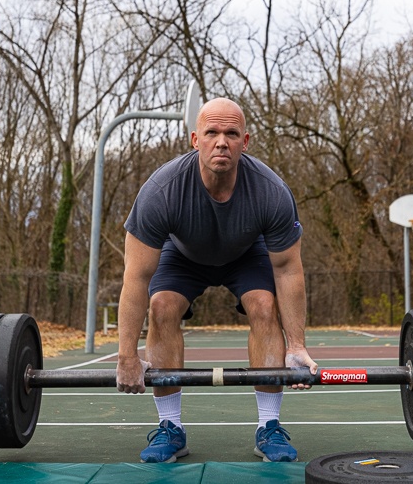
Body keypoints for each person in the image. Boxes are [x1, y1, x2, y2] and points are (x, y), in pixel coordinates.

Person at [115, 97, 319, 464]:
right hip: (182, 256)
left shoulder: (271, 192)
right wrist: (127, 355)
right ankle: (170, 428)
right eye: (212, 132)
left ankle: (269, 426)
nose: (221, 141)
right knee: (161, 306)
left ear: (246, 141)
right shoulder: (162, 191)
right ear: (195, 139)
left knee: (264, 304)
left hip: (246, 254)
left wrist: (297, 345)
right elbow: (136, 278)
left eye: (231, 133)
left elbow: (288, 269)